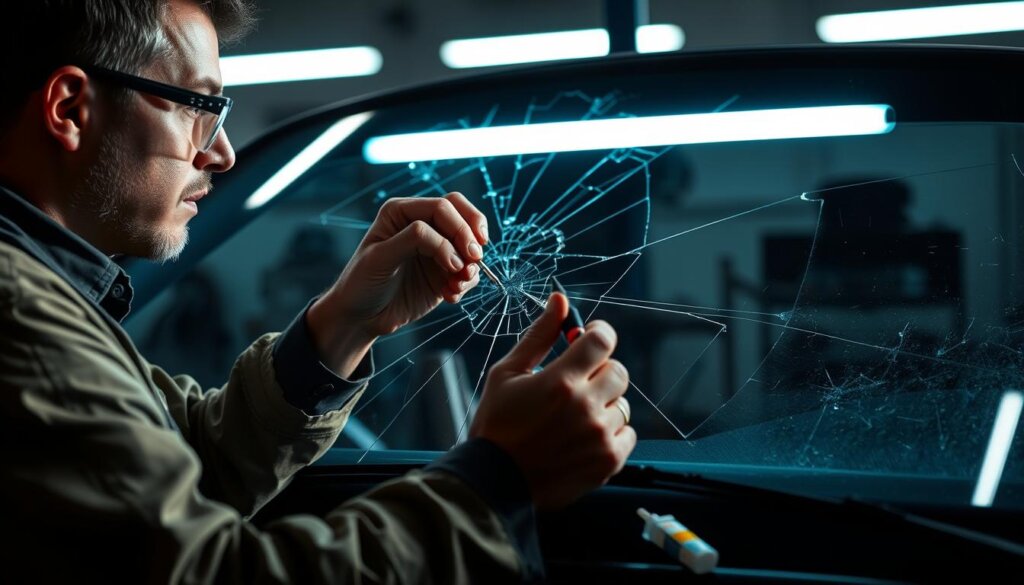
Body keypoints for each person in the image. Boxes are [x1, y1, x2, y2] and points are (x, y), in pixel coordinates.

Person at [0, 1, 637, 582]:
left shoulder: (46, 293)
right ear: (70, 109)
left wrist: (343, 326)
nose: (221, 153)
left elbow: (181, 456)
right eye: (199, 106)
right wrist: (497, 481)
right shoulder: (20, 317)